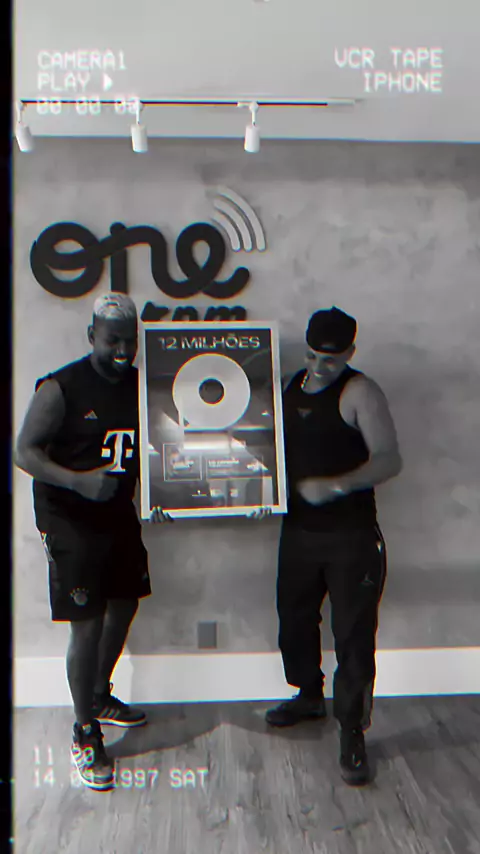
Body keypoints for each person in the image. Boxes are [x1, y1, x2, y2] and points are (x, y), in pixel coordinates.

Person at [15, 293, 172, 792]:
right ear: (92, 336)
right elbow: (24, 452)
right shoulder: (60, 387)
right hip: (69, 519)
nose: (123, 350)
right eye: (112, 340)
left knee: (125, 603)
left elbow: (161, 449)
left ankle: (99, 693)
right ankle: (85, 730)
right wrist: (78, 481)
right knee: (86, 625)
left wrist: (170, 495)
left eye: (130, 341)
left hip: (116, 513)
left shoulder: (143, 386)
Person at [255, 306, 402, 786]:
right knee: (294, 619)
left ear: (350, 353)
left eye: (332, 360)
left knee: (353, 635)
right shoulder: (289, 386)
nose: (320, 367)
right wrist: (254, 493)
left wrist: (336, 485)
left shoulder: (361, 392)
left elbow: (389, 460)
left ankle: (352, 730)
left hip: (350, 535)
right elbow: (268, 450)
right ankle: (308, 696)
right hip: (298, 532)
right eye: (314, 356)